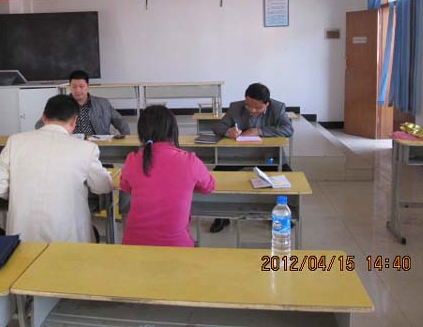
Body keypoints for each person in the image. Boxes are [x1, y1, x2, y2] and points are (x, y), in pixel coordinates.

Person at [0, 94, 113, 243]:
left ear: (43, 117)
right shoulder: (86, 148)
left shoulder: (15, 141)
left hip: (22, 238)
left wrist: (22, 193)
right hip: (69, 239)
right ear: (74, 120)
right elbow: (103, 186)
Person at [120, 105, 216, 247]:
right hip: (176, 245)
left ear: (141, 132)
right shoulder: (190, 161)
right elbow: (209, 187)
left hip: (133, 245)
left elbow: (125, 187)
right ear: (173, 130)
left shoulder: (132, 159)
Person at [210, 82, 294, 233]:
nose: (253, 110)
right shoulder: (236, 107)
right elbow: (218, 127)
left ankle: (280, 215)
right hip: (238, 156)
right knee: (217, 174)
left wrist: (259, 131)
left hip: (268, 156)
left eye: (258, 107)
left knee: (287, 176)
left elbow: (288, 129)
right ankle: (221, 216)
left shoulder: (278, 108)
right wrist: (229, 132)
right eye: (249, 106)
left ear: (267, 104)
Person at [35, 70, 130, 136]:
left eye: (81, 86)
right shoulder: (61, 104)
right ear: (70, 87)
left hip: (99, 145)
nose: (78, 90)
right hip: (69, 145)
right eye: (74, 86)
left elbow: (121, 122)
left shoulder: (103, 103)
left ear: (88, 86)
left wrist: (125, 137)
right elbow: (39, 125)